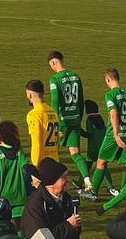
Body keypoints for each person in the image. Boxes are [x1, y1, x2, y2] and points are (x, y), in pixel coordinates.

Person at [83, 69, 126, 201]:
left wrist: (115, 134)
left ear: (108, 80)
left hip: (114, 135)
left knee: (101, 161)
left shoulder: (110, 95)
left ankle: (93, 191)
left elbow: (114, 114)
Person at [48, 51, 90, 190]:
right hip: (75, 118)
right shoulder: (76, 77)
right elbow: (81, 100)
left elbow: (55, 101)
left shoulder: (55, 79)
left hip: (62, 121)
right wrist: (79, 118)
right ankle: (87, 181)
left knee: (51, 152)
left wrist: (55, 123)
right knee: (75, 154)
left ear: (53, 62)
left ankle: (52, 182)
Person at [22, 158, 81, 239]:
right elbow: (39, 237)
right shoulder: (34, 204)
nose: (67, 180)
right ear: (51, 182)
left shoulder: (68, 199)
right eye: (63, 177)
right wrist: (68, 225)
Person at [0, 121, 29, 227]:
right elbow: (26, 167)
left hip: (5, 200)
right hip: (21, 198)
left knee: (7, 230)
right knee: (21, 230)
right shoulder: (19, 151)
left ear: (1, 136)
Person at [26, 79, 60, 172]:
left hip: (42, 163)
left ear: (29, 94)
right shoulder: (53, 112)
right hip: (55, 159)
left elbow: (36, 142)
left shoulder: (33, 114)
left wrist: (35, 165)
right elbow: (58, 139)